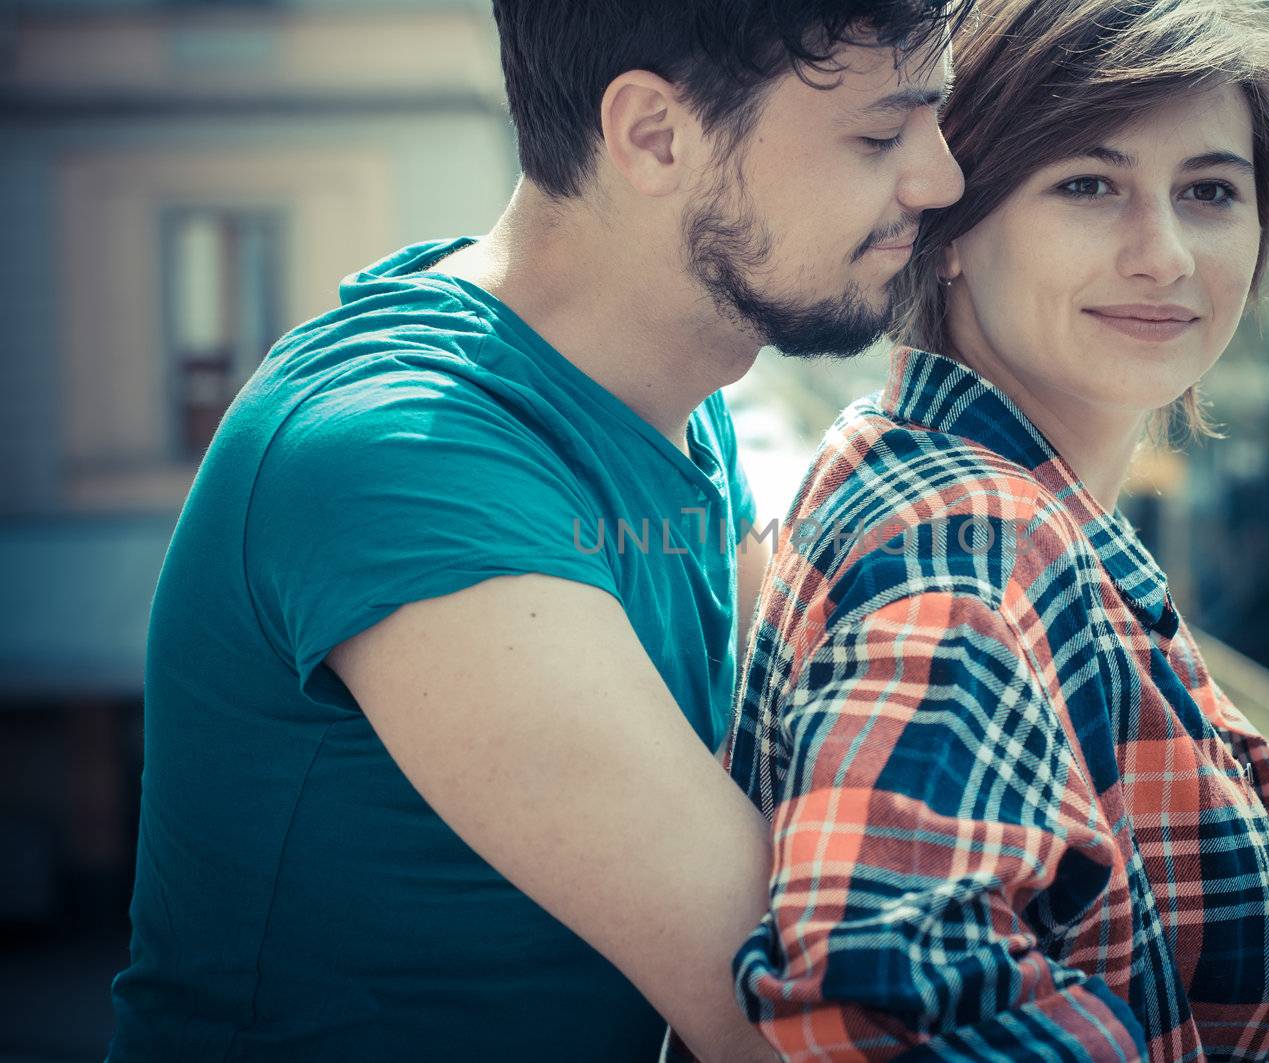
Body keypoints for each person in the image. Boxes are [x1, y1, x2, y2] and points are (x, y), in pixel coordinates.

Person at [105, 2, 972, 1060]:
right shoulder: (403, 459)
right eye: (879, 137)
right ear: (654, 134)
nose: (940, 180)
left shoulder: (667, 395)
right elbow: (799, 1014)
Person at [724, 0, 1269, 1058]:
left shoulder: (934, 476)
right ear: (950, 233)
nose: (1163, 255)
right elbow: (878, 1000)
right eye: (1088, 186)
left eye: (1207, 191)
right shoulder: (965, 540)